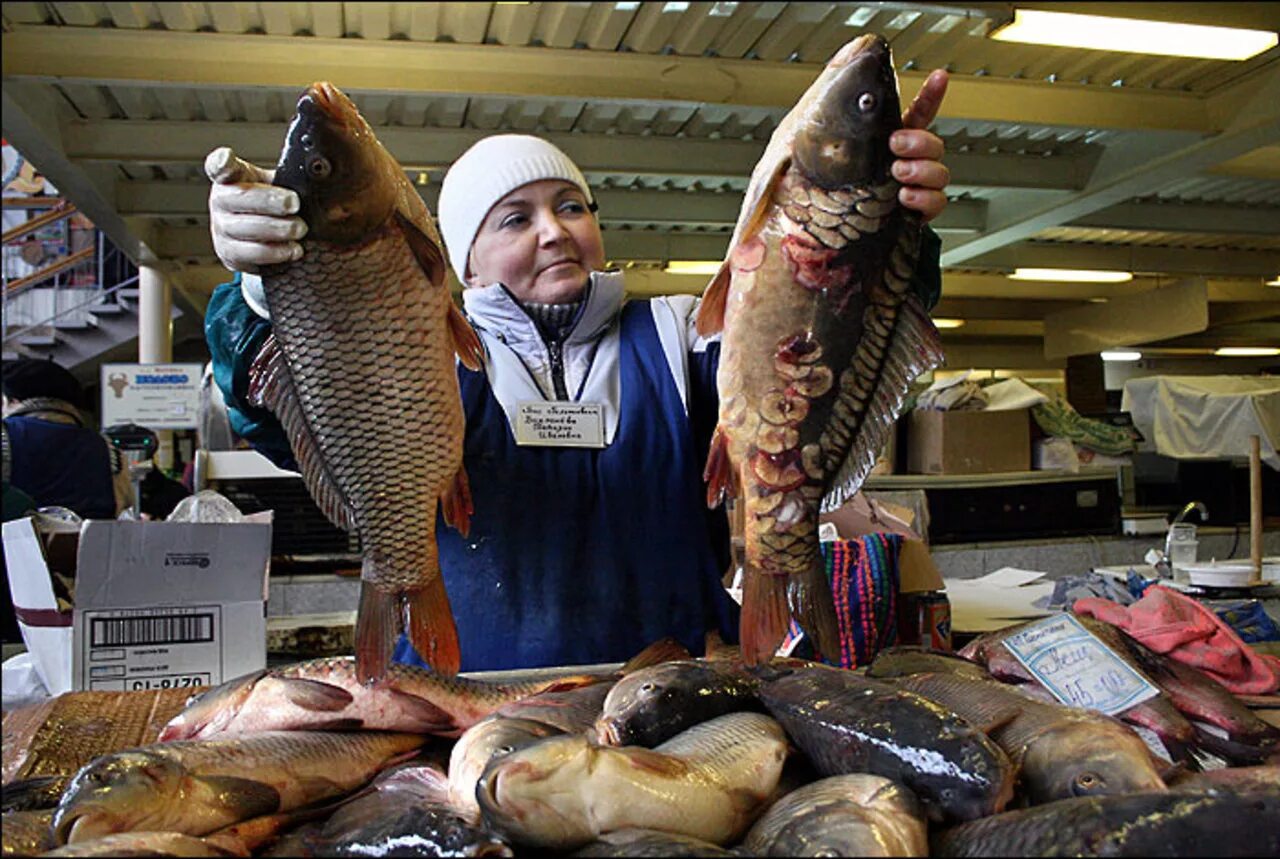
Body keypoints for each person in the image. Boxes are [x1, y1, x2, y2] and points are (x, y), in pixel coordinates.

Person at [203, 71, 954, 672]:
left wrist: (888, 235)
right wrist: (262, 292)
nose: (555, 231)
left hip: (676, 694)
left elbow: (824, 361)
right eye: (515, 218)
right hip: (467, 703)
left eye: (571, 206)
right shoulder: (413, 350)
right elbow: (277, 417)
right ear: (456, 258)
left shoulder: (686, 332)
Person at [2, 357, 132, 521]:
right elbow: (123, 503)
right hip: (89, 543)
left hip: (16, 542)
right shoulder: (106, 447)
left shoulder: (6, 435)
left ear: (12, 401)